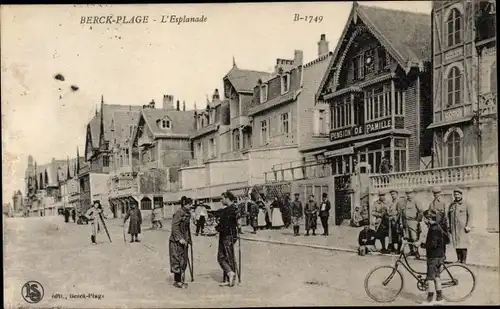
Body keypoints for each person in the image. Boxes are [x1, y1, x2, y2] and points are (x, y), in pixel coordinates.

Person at [414, 209, 449, 305]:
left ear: (428, 218)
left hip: (433, 257)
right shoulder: (437, 227)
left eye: (424, 218)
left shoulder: (433, 229)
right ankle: (439, 298)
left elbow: (432, 245)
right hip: (440, 256)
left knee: (430, 278)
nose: (423, 221)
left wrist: (421, 245)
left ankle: (429, 300)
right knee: (437, 277)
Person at [213, 191, 239, 287]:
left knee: (221, 257)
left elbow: (225, 225)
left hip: (226, 235)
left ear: (227, 198)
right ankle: (230, 278)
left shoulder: (229, 210)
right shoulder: (232, 208)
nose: (221, 200)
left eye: (222, 198)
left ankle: (230, 273)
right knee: (228, 257)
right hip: (230, 235)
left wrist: (216, 229)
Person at [169, 196, 192, 288]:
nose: (191, 206)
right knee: (176, 260)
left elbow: (187, 229)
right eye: (190, 204)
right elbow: (174, 227)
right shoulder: (179, 213)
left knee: (183, 260)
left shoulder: (187, 214)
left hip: (184, 240)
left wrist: (189, 239)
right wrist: (179, 238)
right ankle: (178, 281)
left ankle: (181, 280)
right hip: (176, 241)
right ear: (185, 204)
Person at [447, 187, 473, 264]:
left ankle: (464, 260)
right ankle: (458, 259)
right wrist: (449, 226)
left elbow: (470, 216)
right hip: (454, 227)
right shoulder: (452, 205)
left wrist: (468, 226)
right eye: (455, 194)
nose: (456, 196)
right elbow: (448, 216)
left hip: (463, 228)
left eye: (458, 194)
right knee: (456, 243)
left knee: (463, 243)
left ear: (461, 195)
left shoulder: (466, 204)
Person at [401, 188, 422, 258]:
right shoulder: (405, 202)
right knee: (408, 237)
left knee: (414, 237)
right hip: (406, 222)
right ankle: (411, 251)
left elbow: (421, 211)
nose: (408, 195)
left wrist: (417, 220)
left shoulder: (416, 201)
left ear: (413, 194)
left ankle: (416, 252)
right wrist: (402, 222)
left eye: (410, 194)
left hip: (413, 222)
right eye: (407, 194)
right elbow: (402, 212)